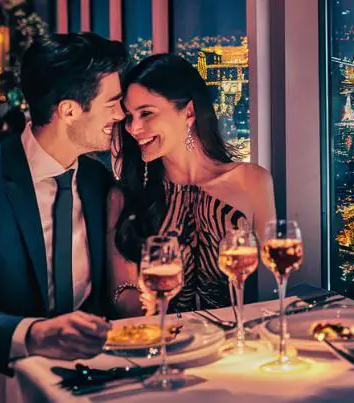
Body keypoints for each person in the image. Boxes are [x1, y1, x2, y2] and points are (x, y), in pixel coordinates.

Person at [0, 33, 127, 402]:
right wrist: (32, 333)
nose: (120, 115)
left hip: (88, 377)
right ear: (69, 110)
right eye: (112, 103)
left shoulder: (97, 181)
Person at [108, 54, 276, 318]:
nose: (133, 127)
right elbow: (122, 290)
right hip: (164, 343)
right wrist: (144, 307)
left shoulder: (253, 181)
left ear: (188, 112)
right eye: (129, 116)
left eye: (146, 113)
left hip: (238, 346)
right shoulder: (125, 195)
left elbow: (273, 284)